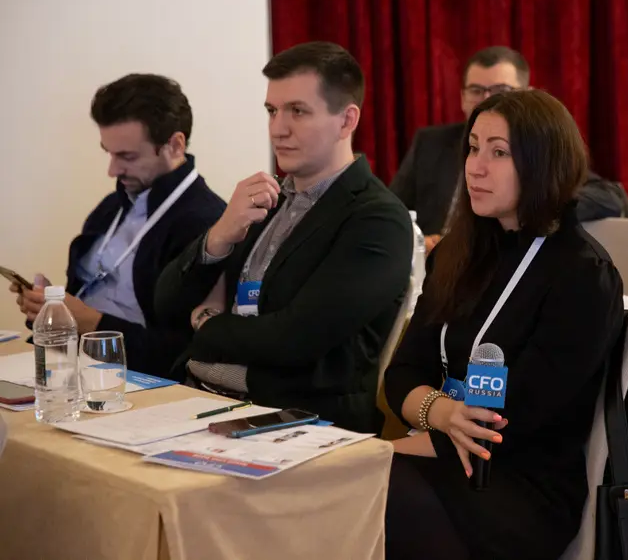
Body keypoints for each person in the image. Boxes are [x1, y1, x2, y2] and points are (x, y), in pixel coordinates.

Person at [383, 89, 625, 560]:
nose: (475, 167)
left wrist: (385, 452)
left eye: (498, 153)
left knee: (364, 488)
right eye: (473, 148)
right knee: (346, 487)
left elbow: (514, 423)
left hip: (521, 486)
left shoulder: (582, 275)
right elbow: (401, 375)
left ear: (544, 164)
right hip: (440, 452)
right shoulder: (457, 253)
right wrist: (444, 414)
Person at [155, 42, 412, 433]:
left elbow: (295, 339)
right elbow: (165, 305)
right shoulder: (263, 199)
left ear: (346, 121)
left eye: (298, 111)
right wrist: (219, 236)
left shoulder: (377, 219)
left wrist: (206, 323)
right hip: (203, 399)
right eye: (272, 111)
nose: (278, 129)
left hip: (298, 422)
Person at [9, 74, 225, 377]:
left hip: (132, 381)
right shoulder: (111, 207)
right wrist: (49, 309)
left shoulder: (207, 224)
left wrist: (90, 322)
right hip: (67, 363)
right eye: (109, 152)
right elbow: (82, 298)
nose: (112, 170)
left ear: (175, 145)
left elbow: (187, 354)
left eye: (127, 156)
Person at [390, 45, 628, 251]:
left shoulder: (535, 148)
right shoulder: (430, 143)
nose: (487, 100)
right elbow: (393, 210)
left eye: (501, 91)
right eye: (476, 90)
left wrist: (527, 207)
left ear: (527, 96)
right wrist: (417, 241)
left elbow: (608, 196)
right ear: (462, 97)